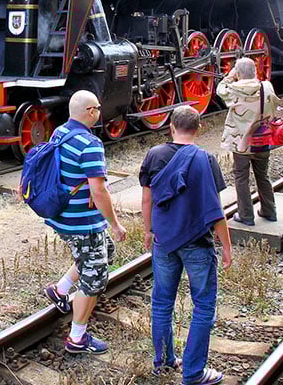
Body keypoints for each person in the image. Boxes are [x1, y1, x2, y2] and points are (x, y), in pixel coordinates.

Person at [140, 106, 232, 384]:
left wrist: (148, 231)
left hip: (164, 241)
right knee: (203, 306)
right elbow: (216, 209)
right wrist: (226, 246)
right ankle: (193, 372)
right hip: (197, 244)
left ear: (170, 126)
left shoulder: (154, 156)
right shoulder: (206, 159)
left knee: (162, 303)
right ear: (199, 128)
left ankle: (164, 362)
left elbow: (147, 200)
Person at [37, 90, 127, 355]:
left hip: (63, 215)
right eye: (98, 108)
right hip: (83, 222)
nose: (99, 112)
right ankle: (77, 338)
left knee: (104, 253)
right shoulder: (90, 144)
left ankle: (60, 289)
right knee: (94, 278)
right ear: (90, 112)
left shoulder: (60, 133)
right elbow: (99, 192)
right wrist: (115, 223)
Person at [217, 57, 282, 226]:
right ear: (254, 71)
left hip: (242, 143)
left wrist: (230, 76)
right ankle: (269, 211)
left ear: (238, 74)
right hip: (262, 139)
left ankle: (246, 215)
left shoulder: (232, 89)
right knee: (263, 176)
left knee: (241, 178)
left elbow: (219, 89)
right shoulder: (266, 86)